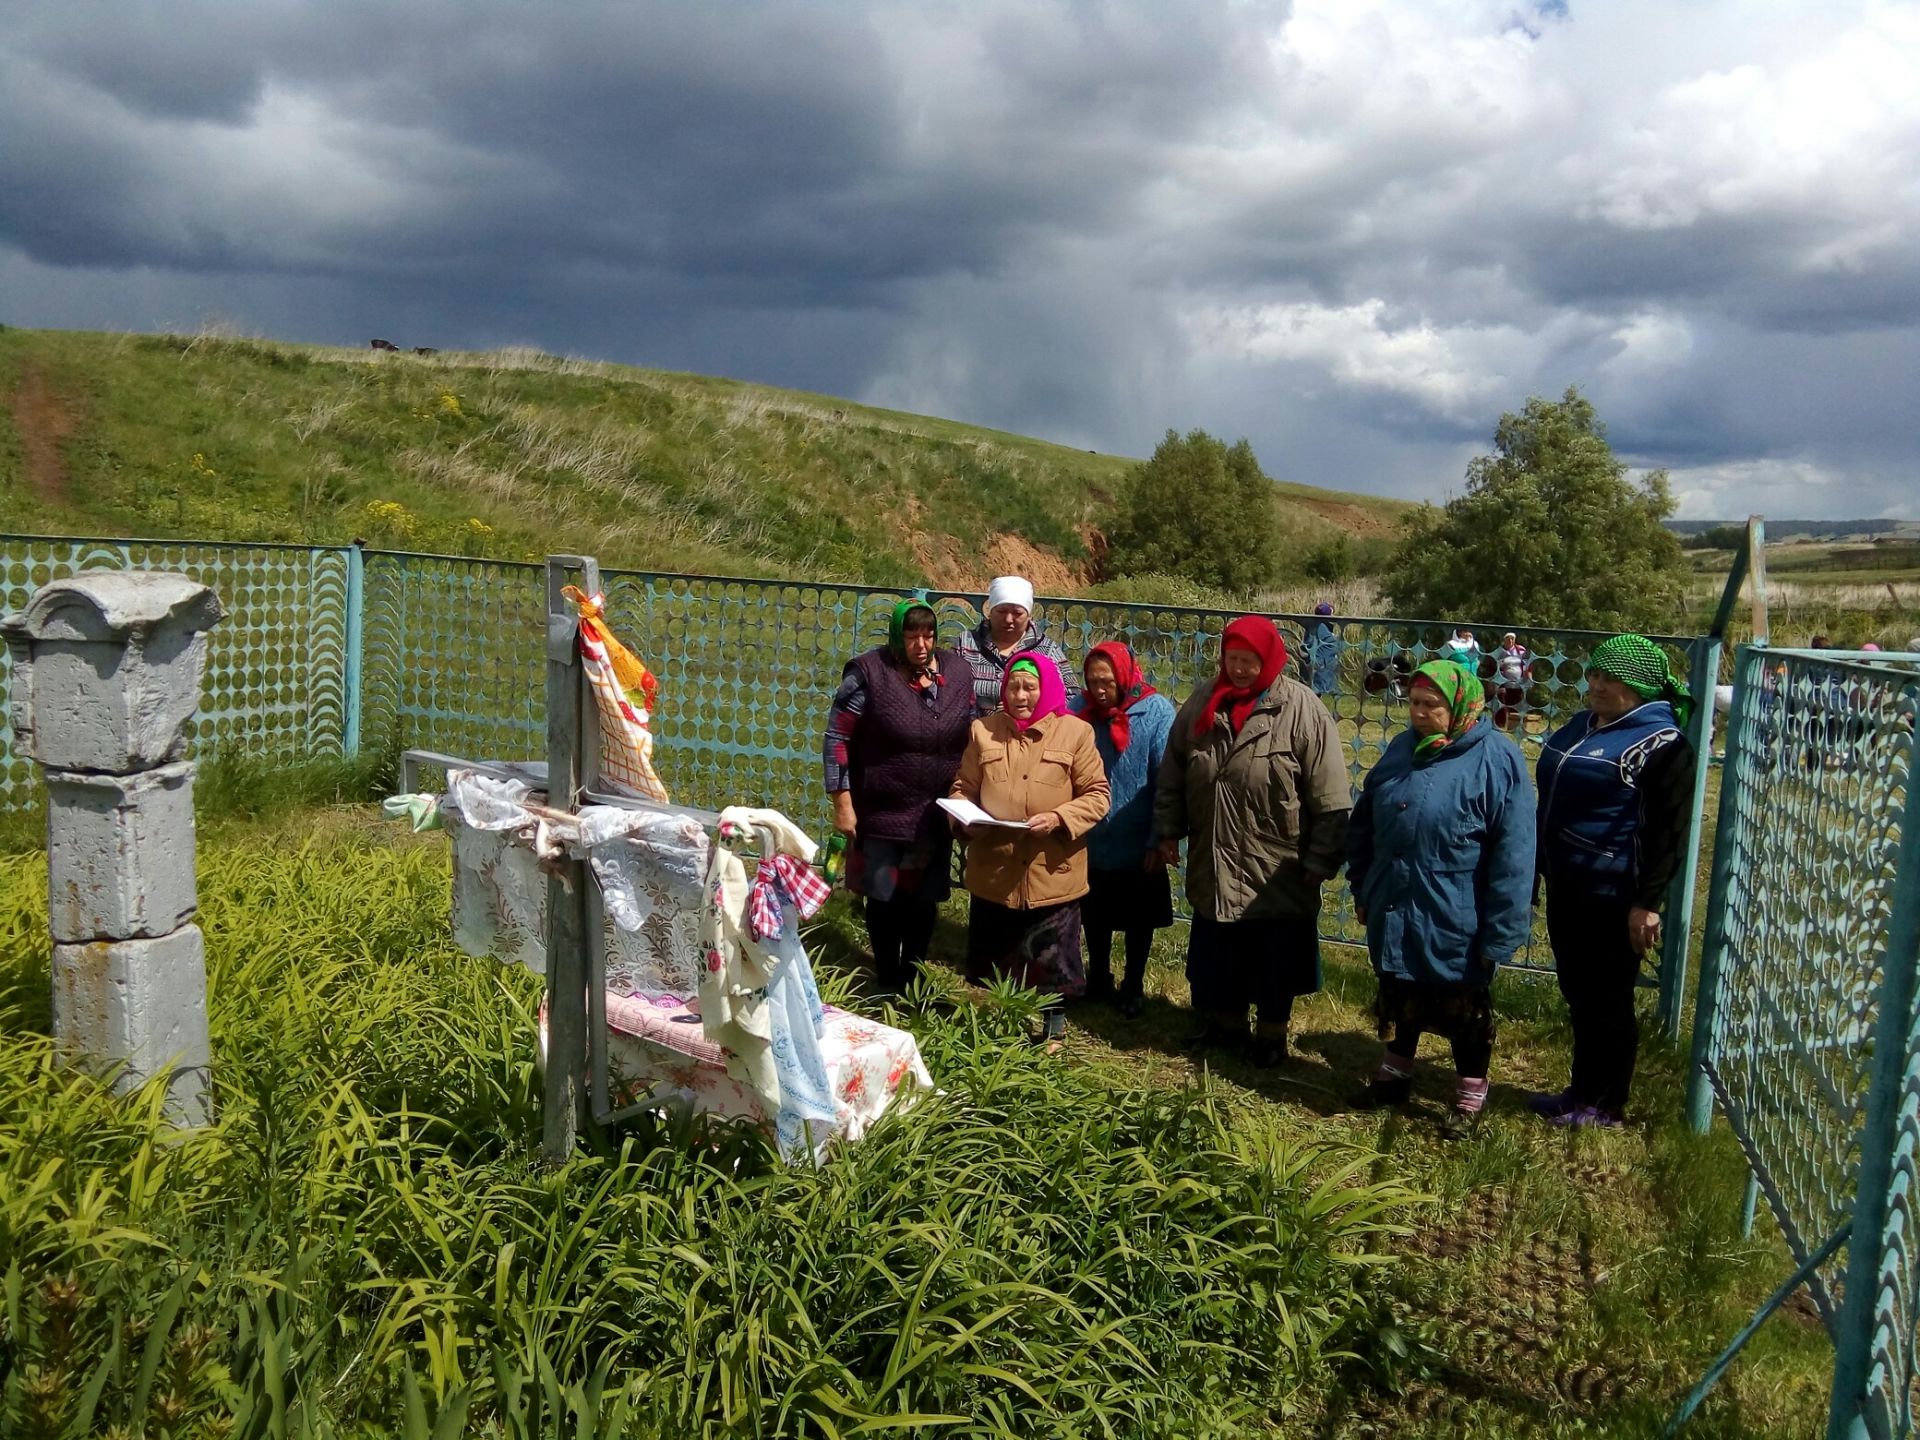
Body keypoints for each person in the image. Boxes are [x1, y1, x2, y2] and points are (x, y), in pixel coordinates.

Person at [1348, 660, 1535, 1138]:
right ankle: (1394, 1076)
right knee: (1401, 988)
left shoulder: (1497, 758)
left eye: (1431, 705)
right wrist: (1364, 884)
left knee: (1462, 1005)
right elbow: (1366, 819)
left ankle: (1469, 1101)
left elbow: (1514, 851)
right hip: (1396, 896)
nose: (1419, 713)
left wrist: (1501, 929)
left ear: (1460, 706)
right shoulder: (1401, 749)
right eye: (1413, 703)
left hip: (1457, 907)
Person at [1154, 616, 1352, 1066]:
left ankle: (1271, 1035)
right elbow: (1173, 772)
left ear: (1269, 660)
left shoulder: (1302, 710)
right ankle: (1224, 1024)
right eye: (1233, 659)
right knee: (1219, 946)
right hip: (1215, 852)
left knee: (1274, 954)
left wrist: (1322, 858)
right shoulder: (1202, 703)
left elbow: (1331, 796)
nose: (1240, 669)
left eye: (1249, 661)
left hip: (1276, 862)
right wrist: (1168, 830)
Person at [1532, 634, 1697, 1128]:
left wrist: (1647, 903)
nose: (1597, 685)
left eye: (1611, 678)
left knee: (1608, 999)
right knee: (1578, 992)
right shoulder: (1583, 725)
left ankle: (1606, 1103)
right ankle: (1580, 1090)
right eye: (1595, 675)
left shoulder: (1663, 745)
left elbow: (1669, 833)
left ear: (1640, 686)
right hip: (1569, 884)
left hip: (1613, 893)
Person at [951, 654, 1110, 1045]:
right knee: (1000, 955)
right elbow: (963, 788)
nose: (1020, 695)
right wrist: (963, 818)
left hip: (1051, 871)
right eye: (1013, 687)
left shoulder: (1075, 733)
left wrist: (1059, 818)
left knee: (1050, 959)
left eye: (1030, 687)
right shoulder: (983, 731)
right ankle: (1003, 1027)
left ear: (1048, 689)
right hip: (996, 868)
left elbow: (1097, 795)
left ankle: (1052, 1031)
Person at [823, 601, 976, 990]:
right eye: (911, 636)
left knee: (924, 899)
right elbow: (838, 736)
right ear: (897, 637)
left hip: (934, 813)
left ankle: (915, 978)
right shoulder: (870, 672)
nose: (921, 645)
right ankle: (887, 977)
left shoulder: (957, 673)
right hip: (882, 810)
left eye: (928, 635)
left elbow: (973, 728)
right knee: (885, 897)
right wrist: (842, 802)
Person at [1073, 642, 1178, 1017]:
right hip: (1093, 836)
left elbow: (1167, 778)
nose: (1099, 690)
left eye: (1107, 681)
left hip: (1138, 837)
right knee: (1094, 913)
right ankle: (1098, 974)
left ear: (1124, 676)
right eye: (1092, 681)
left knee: (1138, 918)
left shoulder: (1156, 712)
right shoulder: (1079, 711)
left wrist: (1159, 837)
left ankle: (1133, 983)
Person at [955, 575, 1072, 717]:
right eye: (1001, 611)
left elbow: (1070, 697)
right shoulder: (967, 643)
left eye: (1017, 613)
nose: (1008, 619)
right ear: (990, 611)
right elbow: (950, 693)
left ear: (1029, 615)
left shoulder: (1047, 650)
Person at [1492, 632, 1531, 733]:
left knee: (1517, 704)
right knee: (1502, 704)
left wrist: (1528, 678)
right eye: (1508, 638)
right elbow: (1496, 667)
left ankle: (1515, 728)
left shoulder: (1521, 650)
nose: (1510, 641)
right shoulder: (1500, 652)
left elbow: (1527, 664)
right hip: (1504, 683)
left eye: (1512, 638)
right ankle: (1500, 726)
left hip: (1518, 684)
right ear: (1504, 640)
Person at [1306, 602, 1342, 698]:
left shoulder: (1317, 625)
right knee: (1318, 688)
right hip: (1321, 662)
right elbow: (1329, 644)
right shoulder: (1319, 627)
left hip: (1323, 661)